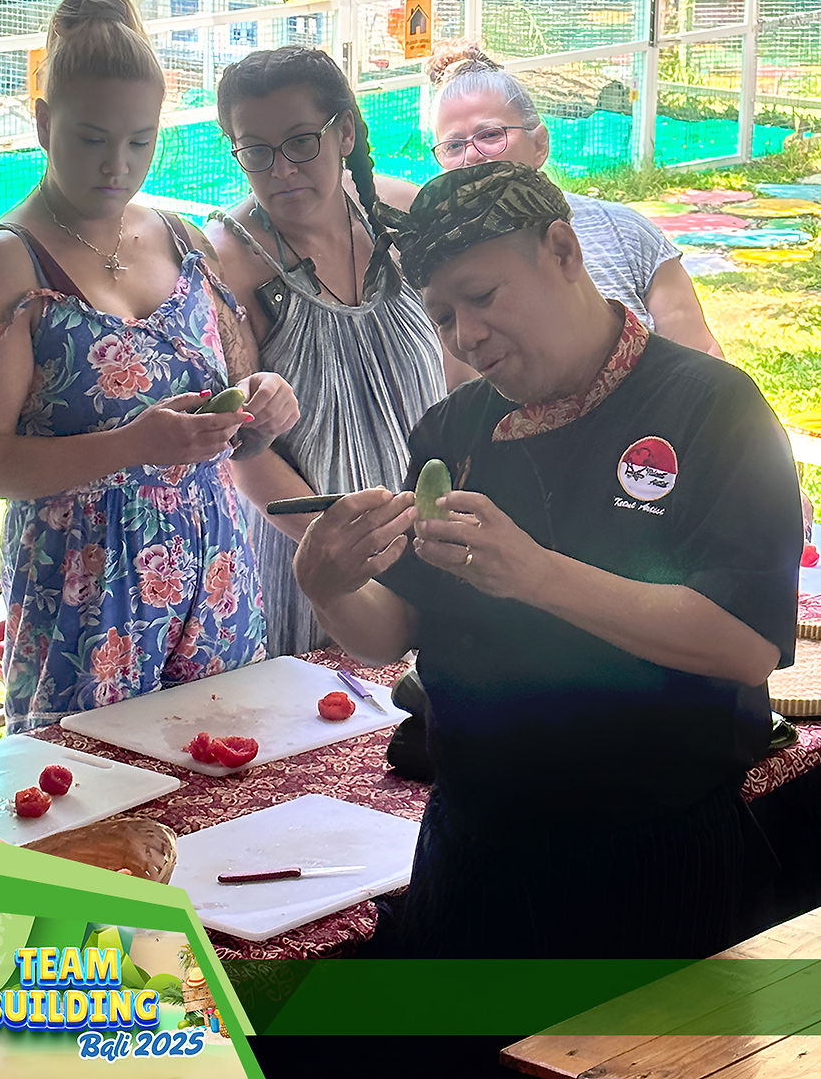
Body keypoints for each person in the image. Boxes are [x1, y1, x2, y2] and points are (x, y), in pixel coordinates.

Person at [293, 161, 802, 959]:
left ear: (562, 251)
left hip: (654, 853)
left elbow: (744, 641)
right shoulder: (452, 430)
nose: (467, 335)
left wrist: (535, 573)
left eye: (483, 297)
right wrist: (328, 585)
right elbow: (393, 630)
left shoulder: (710, 406)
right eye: (443, 315)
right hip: (474, 845)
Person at [0, 0, 298, 734]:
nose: (118, 165)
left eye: (140, 140)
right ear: (43, 124)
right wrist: (134, 445)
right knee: (91, 821)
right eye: (92, 138)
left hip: (217, 573)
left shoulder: (181, 237)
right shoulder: (7, 264)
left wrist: (262, 400)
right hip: (85, 593)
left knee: (231, 795)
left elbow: (230, 395)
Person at [206, 45, 474, 657]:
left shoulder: (401, 215)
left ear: (345, 131)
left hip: (430, 539)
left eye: (302, 141)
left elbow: (458, 372)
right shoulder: (229, 261)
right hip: (306, 562)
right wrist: (344, 548)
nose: (280, 170)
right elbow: (242, 451)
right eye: (256, 151)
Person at [428, 41, 724, 356]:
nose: (472, 156)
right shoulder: (437, 268)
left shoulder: (624, 233)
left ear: (539, 144)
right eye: (454, 146)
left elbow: (701, 354)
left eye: (490, 136)